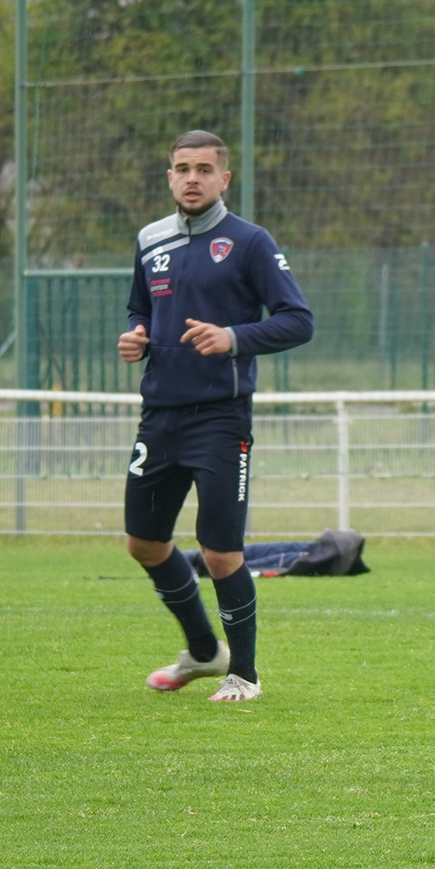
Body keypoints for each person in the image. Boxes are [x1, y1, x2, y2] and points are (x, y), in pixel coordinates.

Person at [118, 130, 314, 701]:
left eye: (204, 169)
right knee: (143, 544)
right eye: (183, 168)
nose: (192, 178)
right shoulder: (150, 239)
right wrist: (136, 335)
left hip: (221, 420)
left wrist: (233, 337)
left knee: (221, 552)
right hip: (160, 415)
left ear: (224, 179)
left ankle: (244, 675)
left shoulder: (249, 242)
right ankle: (204, 652)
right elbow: (139, 307)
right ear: (170, 176)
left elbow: (298, 320)